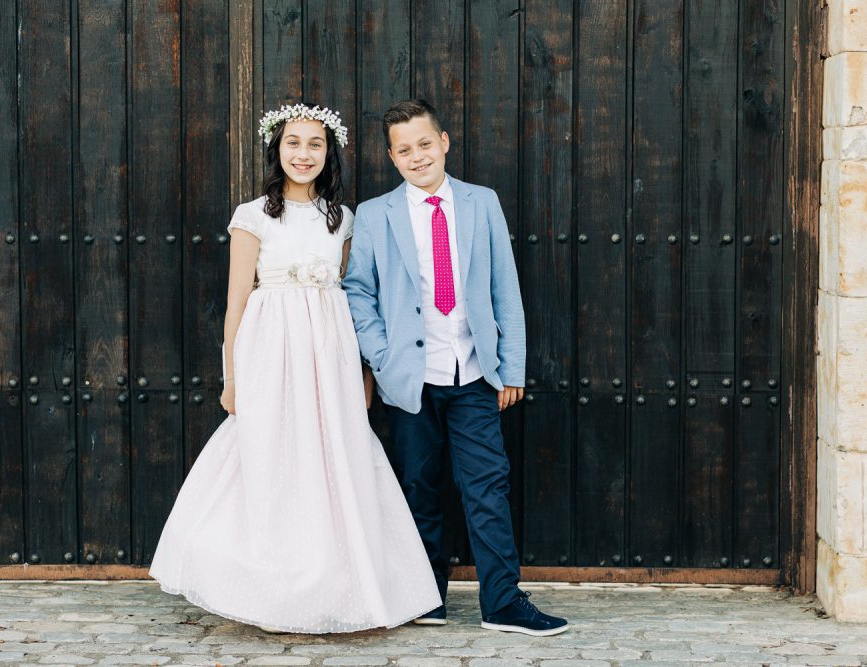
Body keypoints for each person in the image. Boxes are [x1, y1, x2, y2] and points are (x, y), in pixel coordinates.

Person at [149, 103, 441, 634]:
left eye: (315, 144)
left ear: (329, 153)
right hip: (271, 349)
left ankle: (337, 586)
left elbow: (355, 297)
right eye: (293, 143)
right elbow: (237, 301)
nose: (303, 154)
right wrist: (232, 377)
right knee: (272, 456)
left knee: (333, 459)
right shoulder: (253, 215)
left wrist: (364, 374)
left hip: (329, 352)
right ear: (276, 149)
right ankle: (272, 588)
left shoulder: (342, 218)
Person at [344, 99, 569, 636]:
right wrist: (383, 357)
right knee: (418, 487)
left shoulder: (480, 202)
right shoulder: (376, 214)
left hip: (473, 374)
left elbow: (504, 286)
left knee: (487, 486)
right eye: (404, 150)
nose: (417, 156)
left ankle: (503, 602)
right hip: (409, 379)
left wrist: (511, 368)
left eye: (425, 144)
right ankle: (426, 598)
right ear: (392, 157)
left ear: (444, 142)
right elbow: (358, 292)